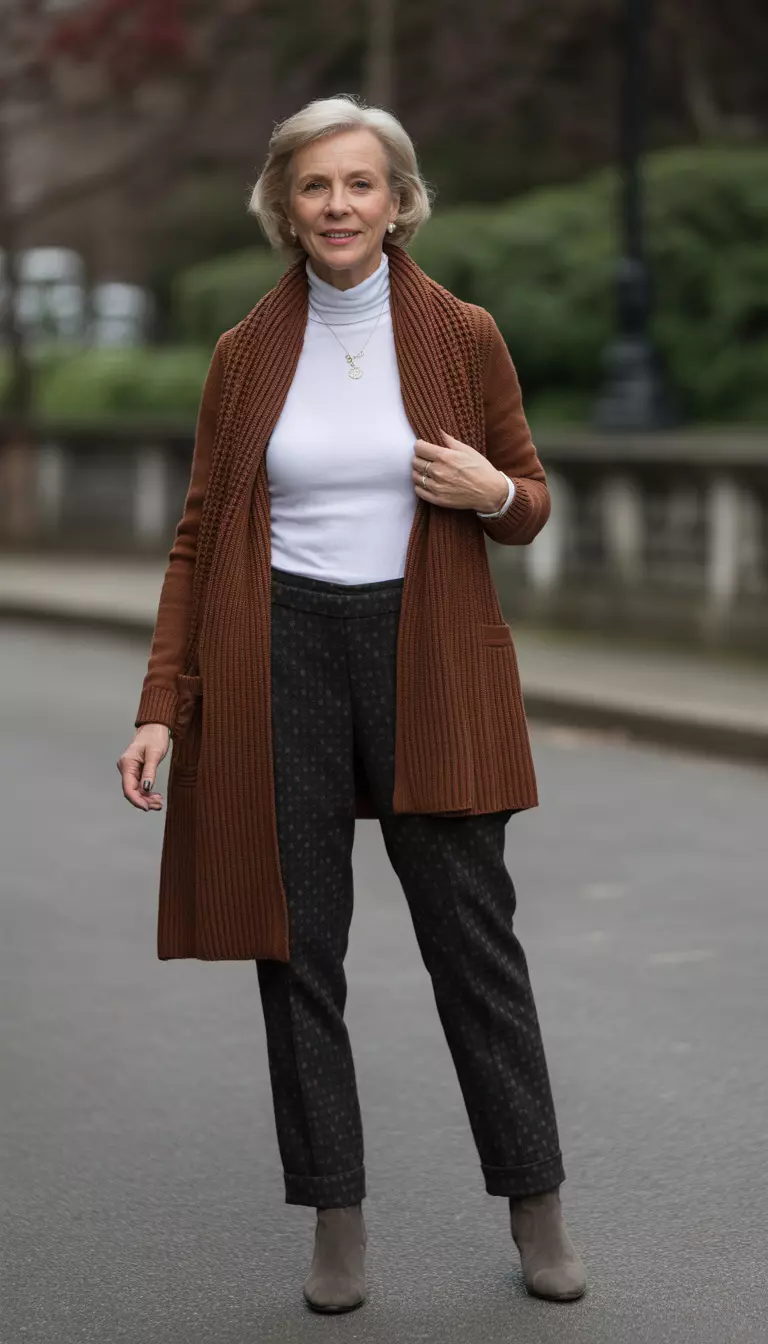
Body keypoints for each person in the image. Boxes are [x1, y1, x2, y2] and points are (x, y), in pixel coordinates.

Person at [117, 93, 586, 1315]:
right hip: (279, 651)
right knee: (297, 951)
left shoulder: (462, 334)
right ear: (285, 204)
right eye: (315, 186)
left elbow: (530, 501)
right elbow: (200, 533)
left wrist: (491, 492)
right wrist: (163, 700)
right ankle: (335, 1213)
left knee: (474, 949)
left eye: (360, 185)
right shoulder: (244, 354)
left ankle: (535, 1201)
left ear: (399, 201)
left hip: (427, 651)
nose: (337, 206)